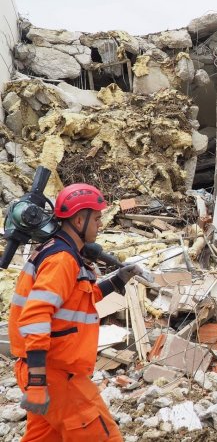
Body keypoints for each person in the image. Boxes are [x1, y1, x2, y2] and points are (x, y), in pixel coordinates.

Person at [8, 183, 142, 441]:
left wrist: (117, 281)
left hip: (45, 370)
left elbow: (75, 300)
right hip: (55, 375)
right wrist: (38, 381)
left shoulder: (59, 252)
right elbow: (35, 317)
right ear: (80, 219)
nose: (100, 224)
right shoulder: (62, 260)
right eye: (98, 218)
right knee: (103, 436)